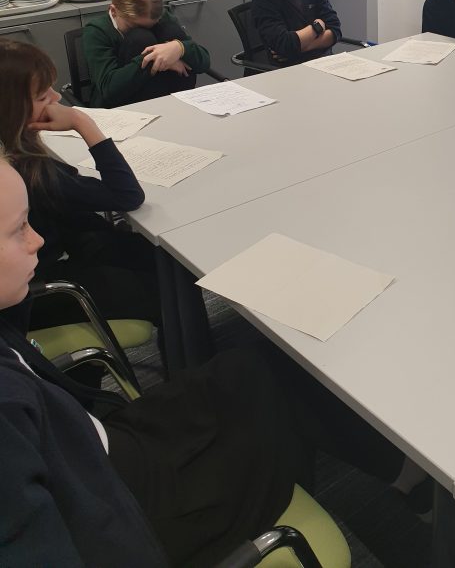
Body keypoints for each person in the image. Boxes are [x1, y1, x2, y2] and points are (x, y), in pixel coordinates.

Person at [0, 157, 427, 567]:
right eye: (19, 228)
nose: (36, 239)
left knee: (250, 365)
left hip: (101, 445)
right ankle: (390, 481)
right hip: (130, 503)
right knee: (276, 383)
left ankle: (388, 474)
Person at [0, 39, 160, 333]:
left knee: (157, 257)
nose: (56, 97)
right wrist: (81, 122)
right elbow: (127, 195)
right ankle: (191, 351)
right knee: (164, 286)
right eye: (42, 96)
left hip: (55, 255)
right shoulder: (24, 172)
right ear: (11, 110)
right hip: (42, 289)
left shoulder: (16, 155)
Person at [82, 0, 211, 107]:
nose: (146, 30)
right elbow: (108, 89)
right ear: (114, 11)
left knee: (171, 32)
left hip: (168, 100)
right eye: (133, 26)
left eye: (151, 26)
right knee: (140, 38)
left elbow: (204, 63)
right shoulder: (97, 31)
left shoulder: (160, 18)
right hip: (120, 104)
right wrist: (157, 59)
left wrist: (179, 48)